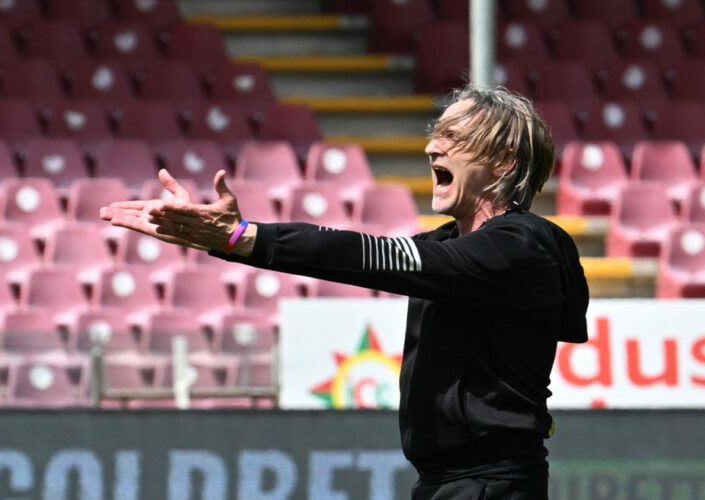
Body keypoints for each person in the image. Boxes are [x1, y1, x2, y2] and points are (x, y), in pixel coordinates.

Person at [101, 84, 589, 500]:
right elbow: (342, 254)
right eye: (434, 135)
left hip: (493, 485)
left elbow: (365, 254)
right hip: (447, 483)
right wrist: (222, 241)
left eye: (454, 138)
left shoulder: (522, 245)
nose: (431, 149)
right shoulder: (452, 245)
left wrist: (245, 238)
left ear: (503, 162)